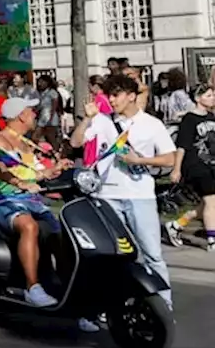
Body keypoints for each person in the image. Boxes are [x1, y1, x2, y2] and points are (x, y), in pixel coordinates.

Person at [71, 74, 177, 308]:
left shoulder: (151, 124)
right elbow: (76, 143)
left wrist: (140, 160)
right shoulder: (102, 120)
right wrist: (87, 120)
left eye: (116, 94)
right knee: (115, 255)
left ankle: (164, 304)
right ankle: (116, 302)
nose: (111, 99)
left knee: (151, 253)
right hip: (106, 195)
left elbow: (169, 158)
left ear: (131, 96)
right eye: (109, 94)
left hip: (140, 195)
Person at [0, 98, 70, 309]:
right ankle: (33, 288)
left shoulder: (26, 142)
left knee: (62, 233)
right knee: (29, 226)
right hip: (5, 201)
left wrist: (54, 170)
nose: (34, 114)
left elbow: (35, 175)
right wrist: (19, 183)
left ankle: (66, 287)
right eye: (31, 111)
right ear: (21, 115)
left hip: (31, 200)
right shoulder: (0, 140)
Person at [167, 84, 215, 250]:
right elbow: (182, 146)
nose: (212, 98)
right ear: (198, 98)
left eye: (213, 95)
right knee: (211, 200)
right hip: (195, 165)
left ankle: (176, 224)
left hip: (211, 164)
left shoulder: (211, 117)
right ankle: (212, 241)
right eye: (208, 95)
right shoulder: (189, 119)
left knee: (209, 205)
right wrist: (177, 169)